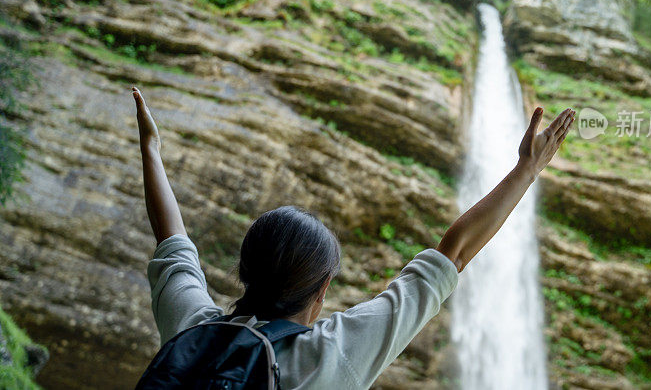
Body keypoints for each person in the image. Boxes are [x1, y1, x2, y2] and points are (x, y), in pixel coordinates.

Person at [132, 85, 574, 389]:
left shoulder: (191, 329)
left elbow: (172, 242)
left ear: (245, 268)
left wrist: (151, 149)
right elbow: (452, 254)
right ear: (323, 289)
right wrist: (527, 170)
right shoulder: (328, 356)